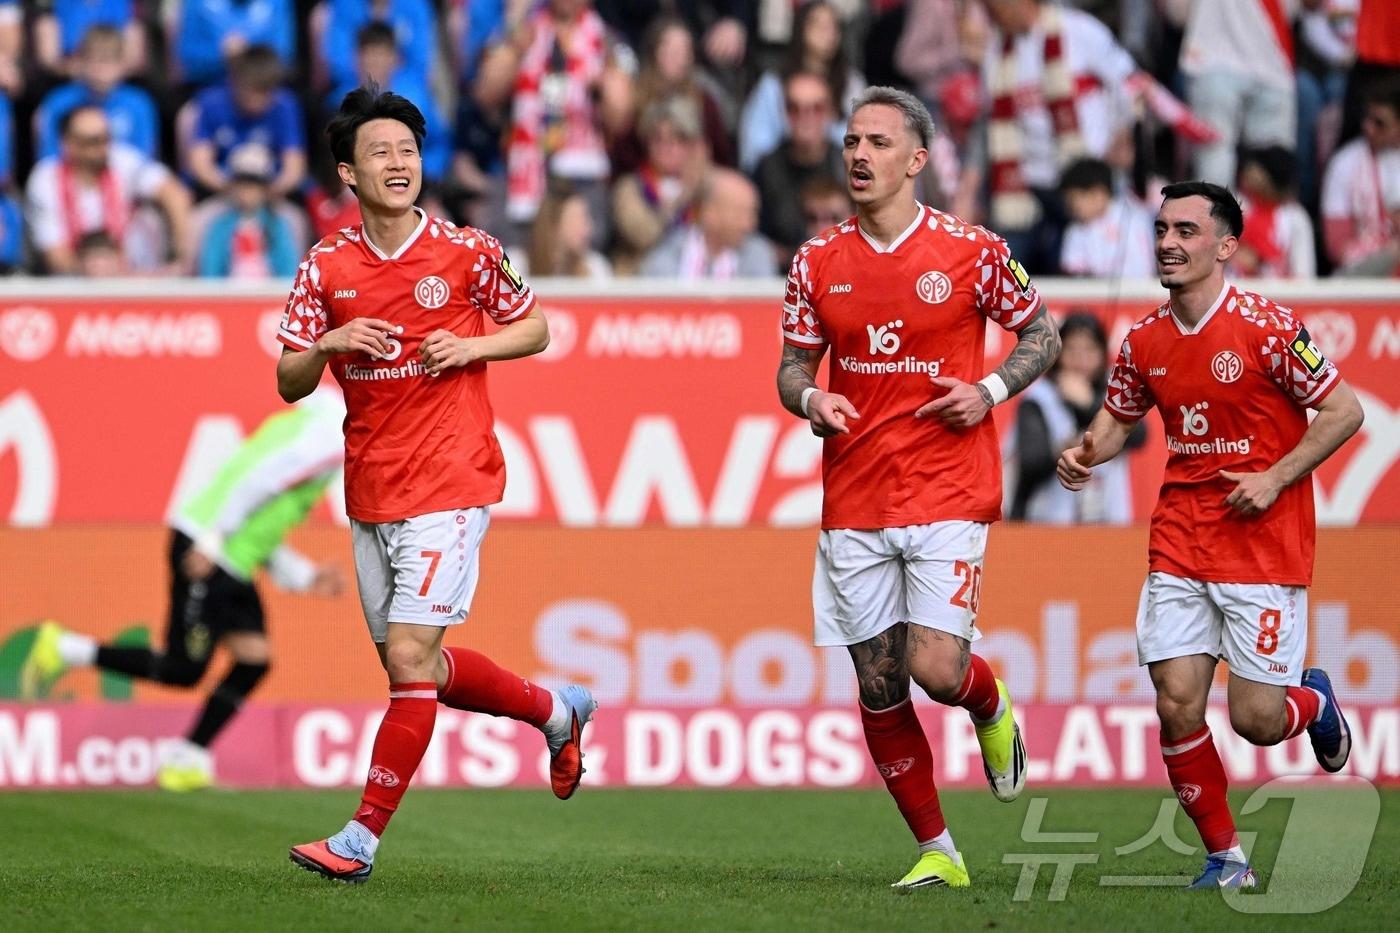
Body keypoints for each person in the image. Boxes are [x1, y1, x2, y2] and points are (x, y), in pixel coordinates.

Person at [275, 86, 596, 883]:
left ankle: (359, 840)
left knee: (414, 656)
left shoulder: (467, 250)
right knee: (414, 667)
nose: (399, 163)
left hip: (454, 478)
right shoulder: (327, 265)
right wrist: (329, 342)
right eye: (380, 152)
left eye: (408, 151)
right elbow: (286, 379)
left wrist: (472, 347)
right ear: (348, 172)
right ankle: (556, 712)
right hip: (372, 486)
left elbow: (537, 326)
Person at [776, 86, 1059, 890]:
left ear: (917, 160)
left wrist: (990, 391)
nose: (859, 155)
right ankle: (940, 848)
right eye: (851, 141)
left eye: (877, 142)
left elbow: (1043, 332)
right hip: (856, 493)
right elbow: (792, 363)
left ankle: (990, 704)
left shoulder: (972, 251)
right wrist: (809, 396)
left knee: (937, 667)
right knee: (877, 681)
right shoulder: (816, 261)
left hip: (947, 486)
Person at [1056, 181, 1364, 889]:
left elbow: (1343, 411)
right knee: (1175, 700)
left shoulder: (1267, 326)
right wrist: (1084, 452)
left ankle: (1312, 699)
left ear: (1226, 246)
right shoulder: (1143, 340)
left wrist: (1276, 477)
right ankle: (1228, 856)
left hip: (1263, 542)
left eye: (1187, 231)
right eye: (1163, 229)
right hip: (1180, 540)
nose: (1168, 242)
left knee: (1256, 719)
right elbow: (1116, 421)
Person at [19, 388, 348, 791]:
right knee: (183, 669)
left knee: (254, 659)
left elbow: (264, 516)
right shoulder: (333, 438)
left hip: (232, 558)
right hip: (208, 549)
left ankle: (188, 756)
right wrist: (210, 541)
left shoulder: (316, 426)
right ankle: (66, 647)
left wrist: (303, 575)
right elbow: (258, 483)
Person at [25, 104, 193, 274]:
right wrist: (98, 271)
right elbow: (55, 256)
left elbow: (175, 195)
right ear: (68, 144)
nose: (102, 148)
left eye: (106, 138)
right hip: (73, 279)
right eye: (92, 141)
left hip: (130, 268)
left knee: (149, 219)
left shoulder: (122, 159)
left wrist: (180, 254)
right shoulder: (45, 179)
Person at [1007, 312, 1138, 523]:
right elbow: (1031, 461)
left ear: (1102, 353)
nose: (1080, 359)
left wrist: (1088, 405)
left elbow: (1139, 434)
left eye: (1089, 349)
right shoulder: (1038, 398)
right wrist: (1067, 450)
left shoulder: (1111, 392)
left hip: (1106, 526)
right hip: (1045, 525)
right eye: (1072, 349)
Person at [739, 1, 864, 173]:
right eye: (817, 23)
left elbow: (863, 143)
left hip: (838, 179)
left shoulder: (852, 83)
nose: (827, 32)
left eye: (833, 26)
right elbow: (754, 148)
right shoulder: (773, 84)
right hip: (782, 178)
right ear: (800, 29)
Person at [186, 45, 307, 199]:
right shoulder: (211, 103)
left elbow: (294, 168)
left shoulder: (285, 106)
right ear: (235, 82)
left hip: (272, 194)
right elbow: (200, 164)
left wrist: (262, 194)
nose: (256, 101)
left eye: (263, 93)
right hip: (221, 192)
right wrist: (236, 192)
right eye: (250, 92)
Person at [34, 24, 160, 159]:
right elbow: (49, 158)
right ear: (80, 62)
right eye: (94, 61)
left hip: (125, 177)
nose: (101, 71)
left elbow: (144, 160)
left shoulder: (139, 103)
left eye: (108, 61)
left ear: (123, 64)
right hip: (71, 176)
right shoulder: (58, 102)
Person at [755, 71, 845, 258]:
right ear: (784, 113)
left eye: (816, 108)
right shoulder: (765, 169)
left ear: (831, 111)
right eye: (794, 108)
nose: (806, 117)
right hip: (781, 278)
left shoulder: (848, 166)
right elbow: (755, 239)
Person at [1321, 77, 1400, 275]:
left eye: (1379, 123)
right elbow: (1337, 246)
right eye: (1367, 118)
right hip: (1363, 274)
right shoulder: (1345, 162)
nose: (1368, 127)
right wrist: (1385, 253)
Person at [640, 167, 773, 279]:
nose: (749, 224)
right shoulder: (667, 255)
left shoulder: (757, 254)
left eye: (752, 214)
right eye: (740, 214)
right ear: (709, 213)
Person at [196, 143, 304, 279]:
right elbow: (210, 271)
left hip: (270, 295)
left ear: (265, 188)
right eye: (242, 183)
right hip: (228, 295)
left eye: (254, 184)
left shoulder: (277, 225)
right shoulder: (219, 225)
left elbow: (288, 269)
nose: (247, 190)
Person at [1057, 157, 1156, 280]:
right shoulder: (1074, 231)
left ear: (1098, 194)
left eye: (1074, 200)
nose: (1071, 207)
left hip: (1137, 293)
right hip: (1093, 296)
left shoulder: (1134, 218)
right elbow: (1073, 274)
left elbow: (1144, 268)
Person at [1234, 146, 1317, 278]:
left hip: (1280, 294)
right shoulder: (1234, 205)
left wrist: (1260, 263)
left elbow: (1304, 274)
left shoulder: (1295, 217)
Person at [523, 183, 612, 278]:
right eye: (580, 219)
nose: (589, 229)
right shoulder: (515, 266)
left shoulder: (596, 268)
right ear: (554, 224)